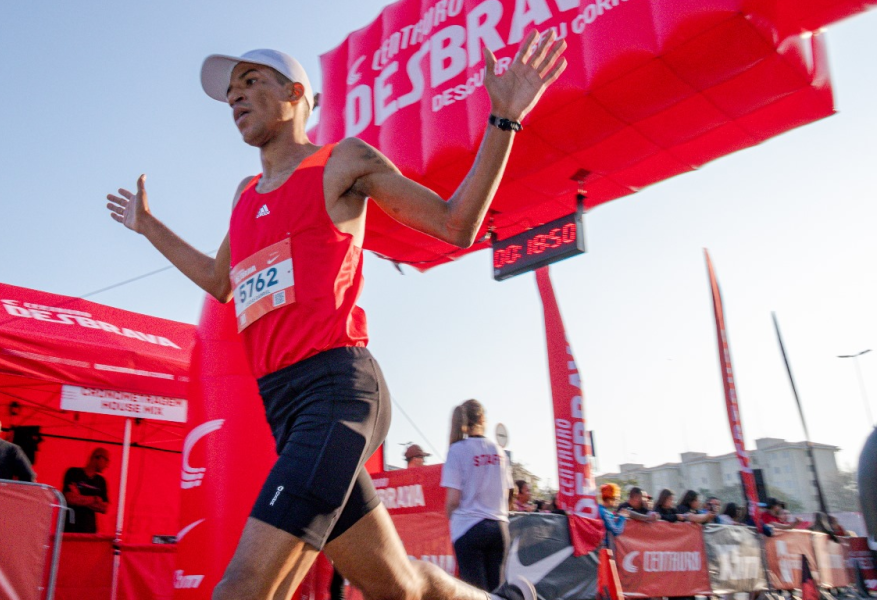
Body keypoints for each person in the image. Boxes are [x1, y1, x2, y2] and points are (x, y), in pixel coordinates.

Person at [105, 26, 566, 600]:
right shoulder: (246, 195)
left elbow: (456, 223)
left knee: (242, 587)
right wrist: (149, 227)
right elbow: (221, 283)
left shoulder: (341, 161)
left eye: (250, 81)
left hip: (337, 392)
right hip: (284, 407)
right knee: (399, 587)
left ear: (295, 92)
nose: (235, 97)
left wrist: (503, 119)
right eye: (230, 92)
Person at [441, 399, 514, 592]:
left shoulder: (457, 450)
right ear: (482, 418)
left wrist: (450, 515)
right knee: (497, 593)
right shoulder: (499, 451)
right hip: (499, 528)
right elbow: (508, 493)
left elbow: (453, 500)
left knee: (474, 594)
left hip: (468, 528)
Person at [63, 447, 110, 533]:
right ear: (97, 457)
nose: (107, 465)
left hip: (89, 530)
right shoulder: (73, 473)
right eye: (106, 460)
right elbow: (69, 498)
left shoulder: (101, 481)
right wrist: (95, 499)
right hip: (71, 527)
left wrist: (79, 497)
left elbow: (104, 508)